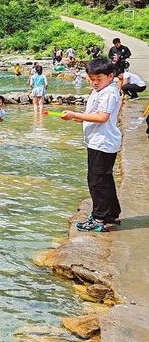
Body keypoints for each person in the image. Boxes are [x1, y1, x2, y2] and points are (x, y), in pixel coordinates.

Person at [61, 58, 122, 232]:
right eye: (91, 79)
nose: (94, 83)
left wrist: (74, 115)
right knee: (104, 179)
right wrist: (78, 118)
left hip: (103, 143)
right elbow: (93, 115)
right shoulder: (100, 90)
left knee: (97, 182)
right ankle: (111, 212)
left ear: (110, 76)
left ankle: (99, 217)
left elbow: (102, 117)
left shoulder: (109, 92)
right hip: (98, 141)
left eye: (98, 79)